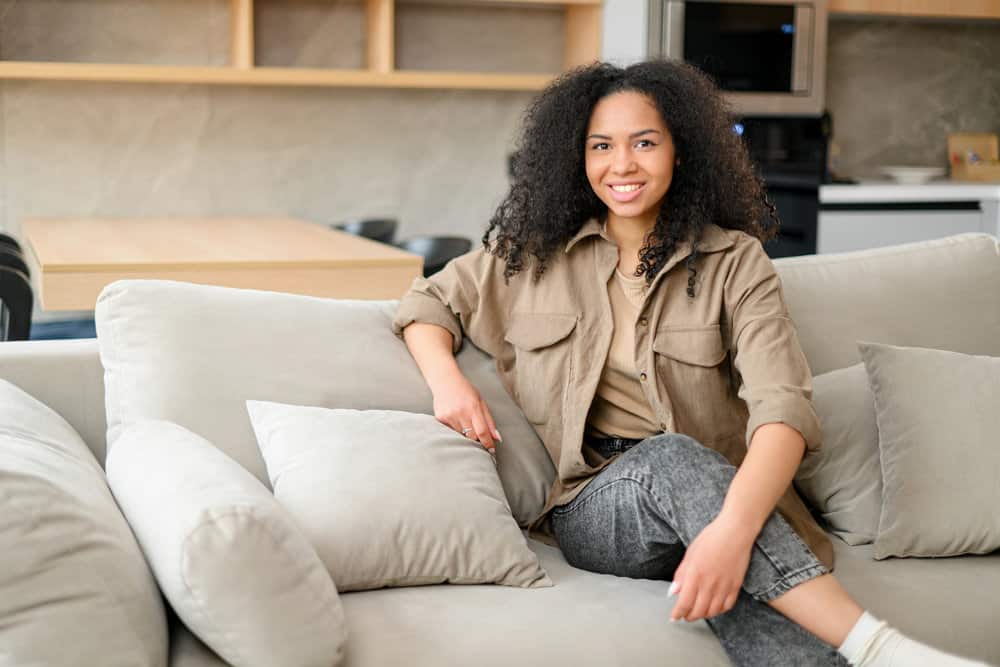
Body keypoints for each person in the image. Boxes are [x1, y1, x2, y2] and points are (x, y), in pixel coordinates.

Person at [391, 60, 989, 667]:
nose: (621, 165)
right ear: (577, 157)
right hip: (598, 504)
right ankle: (881, 647)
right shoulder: (530, 258)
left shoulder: (735, 262)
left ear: (683, 151)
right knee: (674, 461)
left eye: (644, 143)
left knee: (725, 547)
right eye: (601, 146)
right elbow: (426, 302)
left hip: (721, 493)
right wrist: (449, 386)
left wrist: (729, 534)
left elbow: (783, 408)